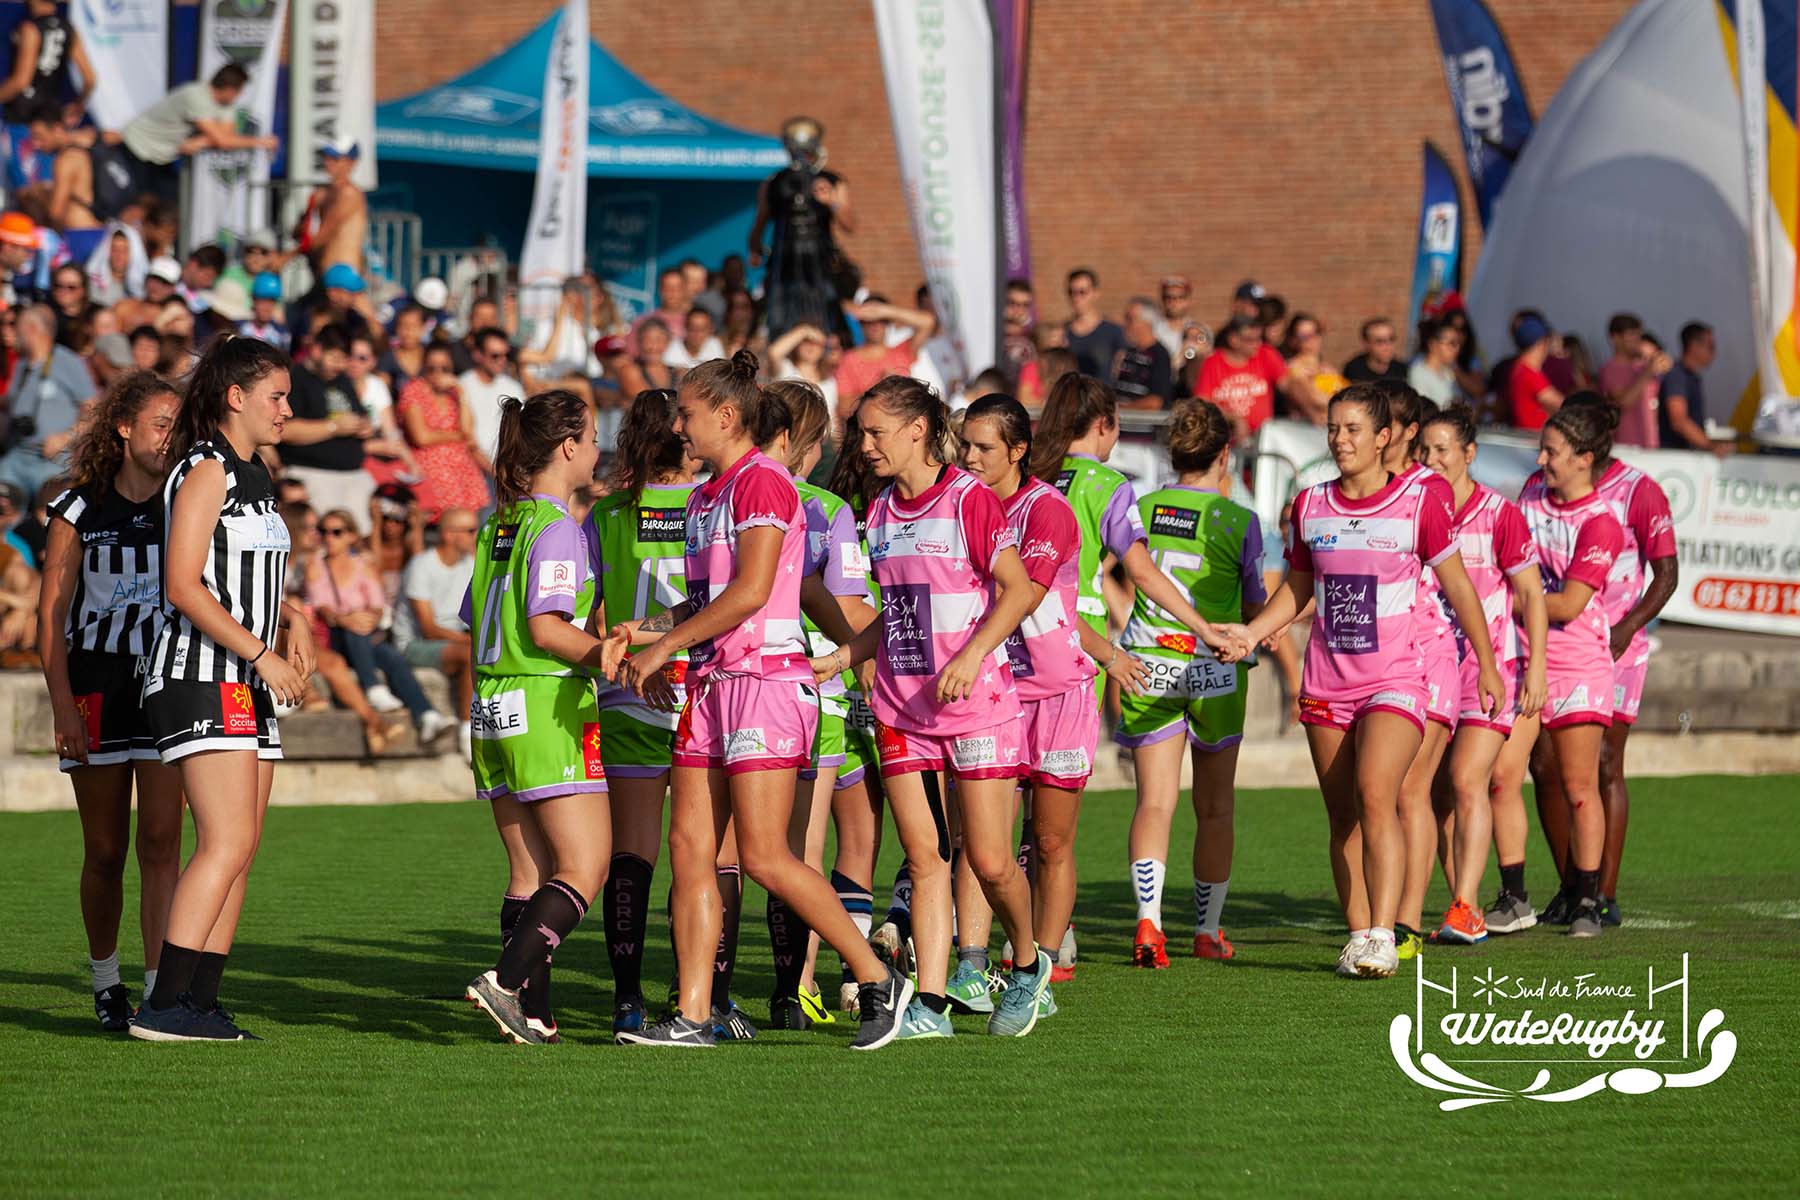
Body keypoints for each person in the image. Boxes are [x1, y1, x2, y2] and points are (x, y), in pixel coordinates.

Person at [607, 353, 910, 1050]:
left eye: (686, 414)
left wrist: (662, 649)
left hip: (767, 686)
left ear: (726, 415)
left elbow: (751, 591)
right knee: (691, 851)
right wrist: (644, 629)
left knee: (768, 857)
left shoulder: (766, 485)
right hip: (714, 685)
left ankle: (874, 978)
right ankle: (692, 1015)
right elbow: (707, 599)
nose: (678, 427)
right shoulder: (708, 496)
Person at [1221, 383, 1503, 978]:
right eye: (1333, 429)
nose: (1340, 440)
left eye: (1353, 430)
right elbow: (1299, 589)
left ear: (1383, 439)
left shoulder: (1417, 505)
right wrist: (1252, 632)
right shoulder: (1310, 506)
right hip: (1327, 682)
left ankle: (1384, 932)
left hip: (1396, 678)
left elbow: (1458, 587)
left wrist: (1489, 663)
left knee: (1380, 794)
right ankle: (1357, 936)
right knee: (1342, 815)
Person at [798, 374, 1047, 1040]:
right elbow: (896, 614)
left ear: (916, 430)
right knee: (926, 857)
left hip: (978, 708)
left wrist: (970, 657)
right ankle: (931, 1006)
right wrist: (846, 655)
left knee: (991, 861)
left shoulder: (969, 501)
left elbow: (1018, 592)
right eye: (860, 432)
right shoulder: (878, 511)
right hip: (901, 709)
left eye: (876, 431)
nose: (864, 444)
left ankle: (1027, 961)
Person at [131, 335, 314, 1042]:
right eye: (277, 395)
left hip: (243, 673)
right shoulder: (205, 467)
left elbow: (247, 572)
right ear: (235, 397)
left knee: (243, 844)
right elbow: (183, 585)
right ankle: (163, 1004)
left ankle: (200, 1001)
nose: (287, 409)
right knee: (225, 840)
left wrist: (292, 616)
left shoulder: (255, 469)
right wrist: (263, 652)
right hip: (199, 672)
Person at [460, 391, 611, 1045]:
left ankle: (535, 1014)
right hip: (544, 703)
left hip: (491, 703)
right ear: (569, 446)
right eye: (597, 436)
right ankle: (506, 981)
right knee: (583, 868)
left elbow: (475, 617)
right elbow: (546, 628)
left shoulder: (501, 523)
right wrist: (609, 657)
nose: (602, 449)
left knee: (529, 873)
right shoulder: (555, 526)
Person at [956, 393, 1113, 1017]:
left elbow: (1029, 595)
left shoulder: (1047, 510)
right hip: (993, 693)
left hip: (1057, 695)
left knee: (1049, 842)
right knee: (979, 835)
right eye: (965, 445)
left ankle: (1038, 970)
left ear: (1018, 450)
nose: (970, 458)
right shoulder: (962, 505)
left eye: (984, 448)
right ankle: (971, 964)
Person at [37, 372, 183, 1030]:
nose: (170, 438)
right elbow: (50, 616)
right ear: (124, 429)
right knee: (104, 851)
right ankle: (105, 980)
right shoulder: (78, 507)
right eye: (160, 424)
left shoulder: (188, 501)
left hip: (164, 686)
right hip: (95, 686)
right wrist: (63, 706)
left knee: (161, 840)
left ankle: (158, 990)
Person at [1114, 398, 1264, 967]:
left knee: (1154, 803)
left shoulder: (1141, 506)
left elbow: (1115, 573)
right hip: (1216, 666)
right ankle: (1206, 930)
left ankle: (1149, 925)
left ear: (1170, 452)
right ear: (1226, 453)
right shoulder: (1240, 521)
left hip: (1149, 661)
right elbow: (1252, 604)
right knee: (1216, 806)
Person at [585, 388, 702, 1038]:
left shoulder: (605, 517)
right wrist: (664, 645)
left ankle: (625, 998)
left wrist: (638, 648)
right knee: (705, 856)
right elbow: (716, 598)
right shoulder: (712, 503)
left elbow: (590, 611)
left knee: (632, 855)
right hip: (696, 688)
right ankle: (704, 997)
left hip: (629, 687)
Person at [1416, 406, 1547, 943]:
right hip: (1427, 664)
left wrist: (1536, 666)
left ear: (1469, 453)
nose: (1431, 460)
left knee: (1469, 778)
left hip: (1490, 668)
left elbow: (1532, 592)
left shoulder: (1499, 513)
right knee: (1434, 795)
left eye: (1442, 450)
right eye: (1424, 450)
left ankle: (1468, 905)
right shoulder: (1416, 508)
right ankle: (1460, 903)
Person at [1515, 402, 1626, 939]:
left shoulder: (1602, 523)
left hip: (1578, 660)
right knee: (1515, 776)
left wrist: (1496, 600)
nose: (1540, 460)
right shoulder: (1532, 492)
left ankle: (1589, 899)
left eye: (1551, 452)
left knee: (1581, 786)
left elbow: (1568, 604)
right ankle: (1528, 892)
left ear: (1584, 459)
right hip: (1525, 658)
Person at [1031, 373, 1231, 670]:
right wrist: (1203, 629)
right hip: (1078, 629)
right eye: (1118, 422)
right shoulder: (1109, 484)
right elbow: (1142, 573)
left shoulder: (1033, 474)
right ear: (1102, 424)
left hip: (1024, 626)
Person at [305, 506, 453, 743]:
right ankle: (374, 688)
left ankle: (427, 715)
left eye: (336, 532)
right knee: (357, 629)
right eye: (323, 531)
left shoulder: (363, 565)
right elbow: (321, 604)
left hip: (364, 634)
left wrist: (368, 618)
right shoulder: (316, 565)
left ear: (352, 535)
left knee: (391, 657)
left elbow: (377, 603)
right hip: (334, 635)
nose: (328, 538)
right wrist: (347, 618)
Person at [116, 64, 276, 207]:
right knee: (133, 205)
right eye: (239, 91)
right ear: (230, 89)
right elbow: (223, 141)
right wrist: (262, 142)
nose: (239, 96)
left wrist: (201, 142)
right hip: (135, 148)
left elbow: (228, 136)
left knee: (165, 207)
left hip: (161, 156)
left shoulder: (226, 105)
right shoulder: (195, 96)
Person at [750, 116, 852, 336]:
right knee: (780, 314)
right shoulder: (775, 181)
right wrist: (756, 247)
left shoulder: (831, 180)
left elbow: (850, 225)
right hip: (785, 260)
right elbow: (760, 221)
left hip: (819, 260)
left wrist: (831, 201)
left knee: (826, 310)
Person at [394, 508, 477, 755]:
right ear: (450, 535)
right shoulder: (422, 565)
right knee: (471, 652)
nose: (476, 535)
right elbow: (429, 629)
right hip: (413, 644)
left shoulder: (470, 563)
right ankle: (467, 728)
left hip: (456, 638)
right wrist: (469, 639)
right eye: (471, 530)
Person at [280, 324, 376, 530]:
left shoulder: (342, 380)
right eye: (334, 358)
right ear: (316, 350)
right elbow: (284, 430)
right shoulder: (295, 379)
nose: (340, 365)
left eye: (344, 359)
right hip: (313, 474)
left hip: (353, 474)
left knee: (364, 533)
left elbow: (359, 415)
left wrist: (364, 427)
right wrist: (333, 427)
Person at [1, 303, 93, 500]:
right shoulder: (21, 365)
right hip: (18, 454)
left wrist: (66, 437)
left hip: (52, 461)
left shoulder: (67, 361)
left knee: (50, 514)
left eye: (18, 328)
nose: (14, 334)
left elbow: (94, 408)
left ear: (32, 329)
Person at [398, 342, 492, 514]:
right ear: (424, 367)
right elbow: (422, 437)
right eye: (432, 368)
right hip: (433, 466)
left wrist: (461, 393)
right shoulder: (413, 390)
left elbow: (468, 430)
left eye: (444, 368)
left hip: (462, 467)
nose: (438, 374)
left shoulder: (453, 393)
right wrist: (457, 436)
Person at [832, 295, 936, 420]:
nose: (875, 325)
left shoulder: (901, 352)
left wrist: (886, 311)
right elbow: (844, 409)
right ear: (861, 323)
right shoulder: (848, 360)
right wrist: (879, 389)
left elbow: (928, 322)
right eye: (868, 321)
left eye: (881, 320)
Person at [1196, 315, 1295, 441]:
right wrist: (1234, 418)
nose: (1257, 344)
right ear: (1233, 340)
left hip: (1263, 441)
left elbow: (1288, 384)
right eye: (1250, 340)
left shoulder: (1266, 354)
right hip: (1227, 442)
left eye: (1259, 338)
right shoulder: (1212, 362)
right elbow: (1202, 402)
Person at [1, 1, 95, 128]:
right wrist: (79, 104)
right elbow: (90, 79)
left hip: (21, 115)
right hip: (50, 120)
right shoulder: (68, 29)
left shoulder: (30, 29)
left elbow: (20, 82)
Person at [294, 140, 367, 275]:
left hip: (344, 275)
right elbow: (301, 232)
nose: (328, 162)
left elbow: (325, 232)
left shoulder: (350, 194)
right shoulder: (321, 194)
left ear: (351, 163)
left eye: (335, 159)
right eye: (326, 157)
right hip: (322, 271)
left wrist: (287, 257)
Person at [1599, 313, 1668, 450]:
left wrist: (1655, 355)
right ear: (1615, 338)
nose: (1636, 340)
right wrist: (1648, 372)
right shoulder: (1610, 369)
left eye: (1638, 335)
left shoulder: (1642, 366)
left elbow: (1667, 368)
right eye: (1631, 335)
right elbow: (1624, 402)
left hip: (1652, 445)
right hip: (1626, 448)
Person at [458, 325, 523, 464]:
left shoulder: (513, 388)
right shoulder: (462, 387)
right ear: (477, 354)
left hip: (508, 465)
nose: (502, 360)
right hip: (473, 466)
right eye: (495, 356)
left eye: (506, 355)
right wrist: (495, 474)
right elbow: (467, 438)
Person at [1659, 322, 1726, 455]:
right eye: (1711, 347)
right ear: (1694, 346)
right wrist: (1711, 446)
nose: (1714, 353)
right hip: (1675, 458)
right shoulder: (1677, 375)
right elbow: (1679, 421)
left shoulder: (1690, 376)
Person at [1279, 312, 1347, 423]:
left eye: (1315, 333)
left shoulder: (1327, 368)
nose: (1312, 340)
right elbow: (1315, 399)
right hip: (1306, 429)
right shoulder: (1293, 367)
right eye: (1304, 337)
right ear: (1293, 340)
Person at [1062, 268, 1125, 384]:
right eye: (1071, 292)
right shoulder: (1062, 332)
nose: (1076, 298)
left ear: (1096, 293)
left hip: (1103, 399)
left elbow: (1122, 371)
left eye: (1082, 292)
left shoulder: (1113, 331)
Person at [767, 322, 840, 418]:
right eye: (806, 341)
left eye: (816, 343)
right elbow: (773, 353)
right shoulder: (786, 369)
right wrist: (804, 330)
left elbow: (832, 418)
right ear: (796, 344)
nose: (811, 347)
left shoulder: (829, 380)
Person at [1113, 297, 1175, 409]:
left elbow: (1156, 401)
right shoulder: (1128, 352)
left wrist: (1122, 410)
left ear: (1147, 323)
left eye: (1131, 318)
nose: (1126, 323)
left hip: (1141, 424)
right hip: (1121, 423)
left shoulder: (1159, 355)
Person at [1507, 314, 1563, 431]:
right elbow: (1559, 404)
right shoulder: (1529, 373)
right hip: (1532, 441)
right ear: (1541, 343)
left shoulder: (1517, 368)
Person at [1408, 316, 1466, 410]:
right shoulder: (1419, 373)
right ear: (1433, 344)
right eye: (1452, 343)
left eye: (1458, 343)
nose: (1457, 348)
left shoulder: (1448, 372)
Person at [1341, 317, 1408, 383]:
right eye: (1379, 341)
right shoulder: (1354, 369)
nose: (1387, 346)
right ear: (1366, 343)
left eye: (1391, 339)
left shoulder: (1402, 370)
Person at [239, 273, 290, 351]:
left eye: (271, 301)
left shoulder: (281, 334)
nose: (267, 308)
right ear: (254, 300)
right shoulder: (239, 328)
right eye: (262, 301)